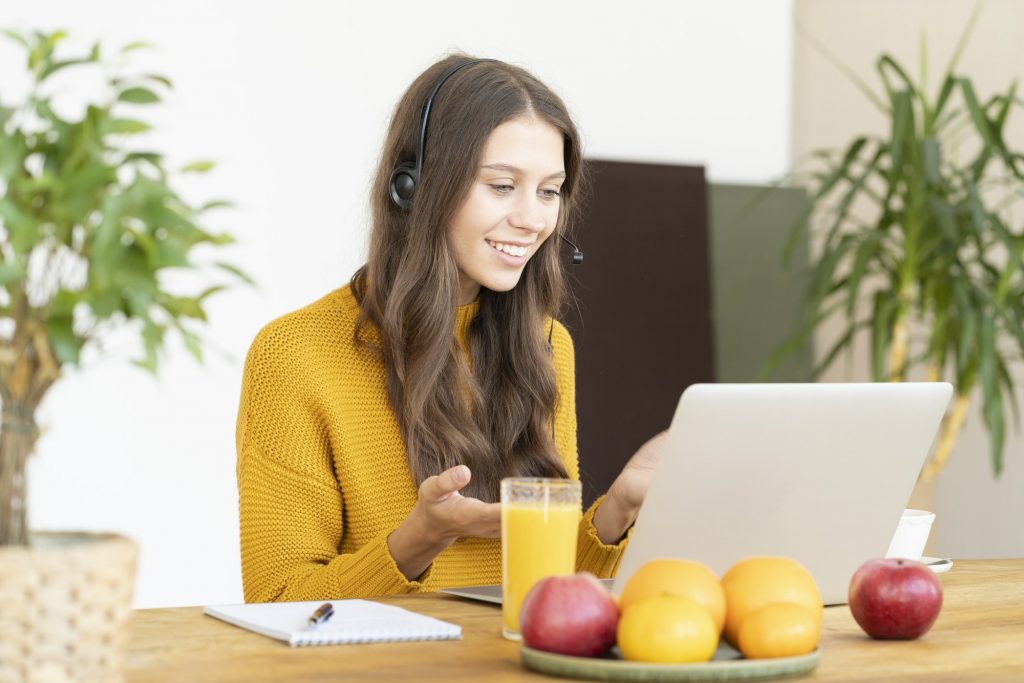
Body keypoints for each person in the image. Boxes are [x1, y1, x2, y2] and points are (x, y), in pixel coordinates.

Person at [236, 54, 667, 603]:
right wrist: (421, 538)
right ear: (414, 187)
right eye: (502, 185)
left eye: (549, 190)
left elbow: (546, 587)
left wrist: (620, 509)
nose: (534, 220)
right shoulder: (296, 354)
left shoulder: (547, 344)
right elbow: (279, 600)